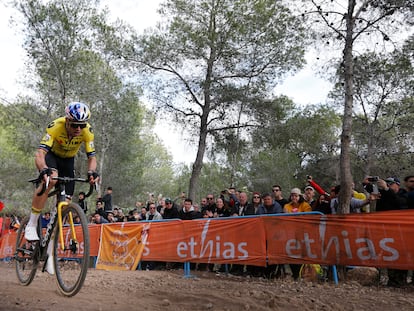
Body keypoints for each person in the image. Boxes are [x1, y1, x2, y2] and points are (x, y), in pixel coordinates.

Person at [24, 102, 99, 275]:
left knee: (65, 207)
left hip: (69, 161)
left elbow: (92, 157)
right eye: (74, 125)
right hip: (52, 157)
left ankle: (51, 254)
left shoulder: (87, 131)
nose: (78, 129)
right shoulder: (55, 127)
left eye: (82, 125)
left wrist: (91, 172)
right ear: (67, 121)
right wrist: (43, 169)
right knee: (51, 180)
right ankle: (32, 223)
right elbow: (40, 154)